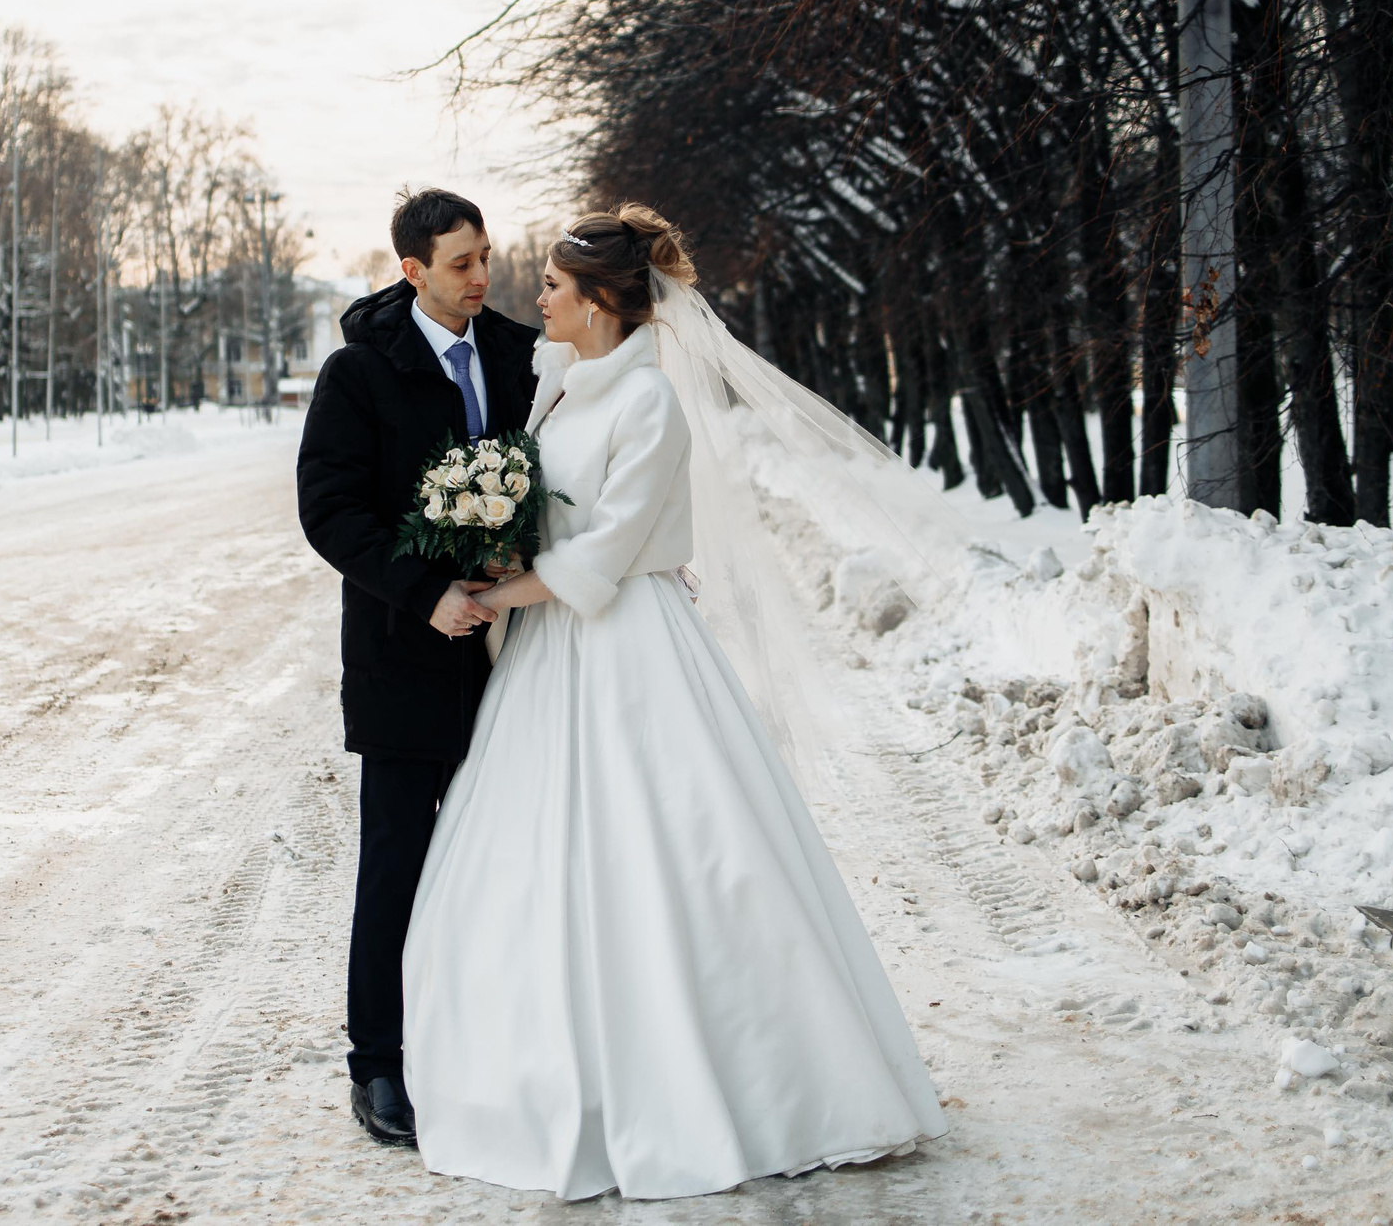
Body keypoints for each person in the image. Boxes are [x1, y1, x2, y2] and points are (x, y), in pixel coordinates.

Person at [401, 205, 949, 1201]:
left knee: (668, 851)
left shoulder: (648, 404)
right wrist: (487, 548)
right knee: (536, 860)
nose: (541, 297)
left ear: (603, 300)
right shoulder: (560, 391)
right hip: (552, 653)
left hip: (625, 646)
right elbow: (541, 511)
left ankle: (740, 1086)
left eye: (557, 286)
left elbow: (604, 556)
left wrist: (490, 594)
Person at [294, 188, 541, 1149]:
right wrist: (423, 589)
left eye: (486, 257)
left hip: (523, 650)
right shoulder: (358, 373)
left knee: (512, 855)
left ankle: (489, 1039)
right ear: (411, 271)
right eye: (461, 264)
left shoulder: (523, 351)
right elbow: (330, 510)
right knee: (397, 858)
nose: (482, 278)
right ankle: (381, 1064)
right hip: (406, 651)